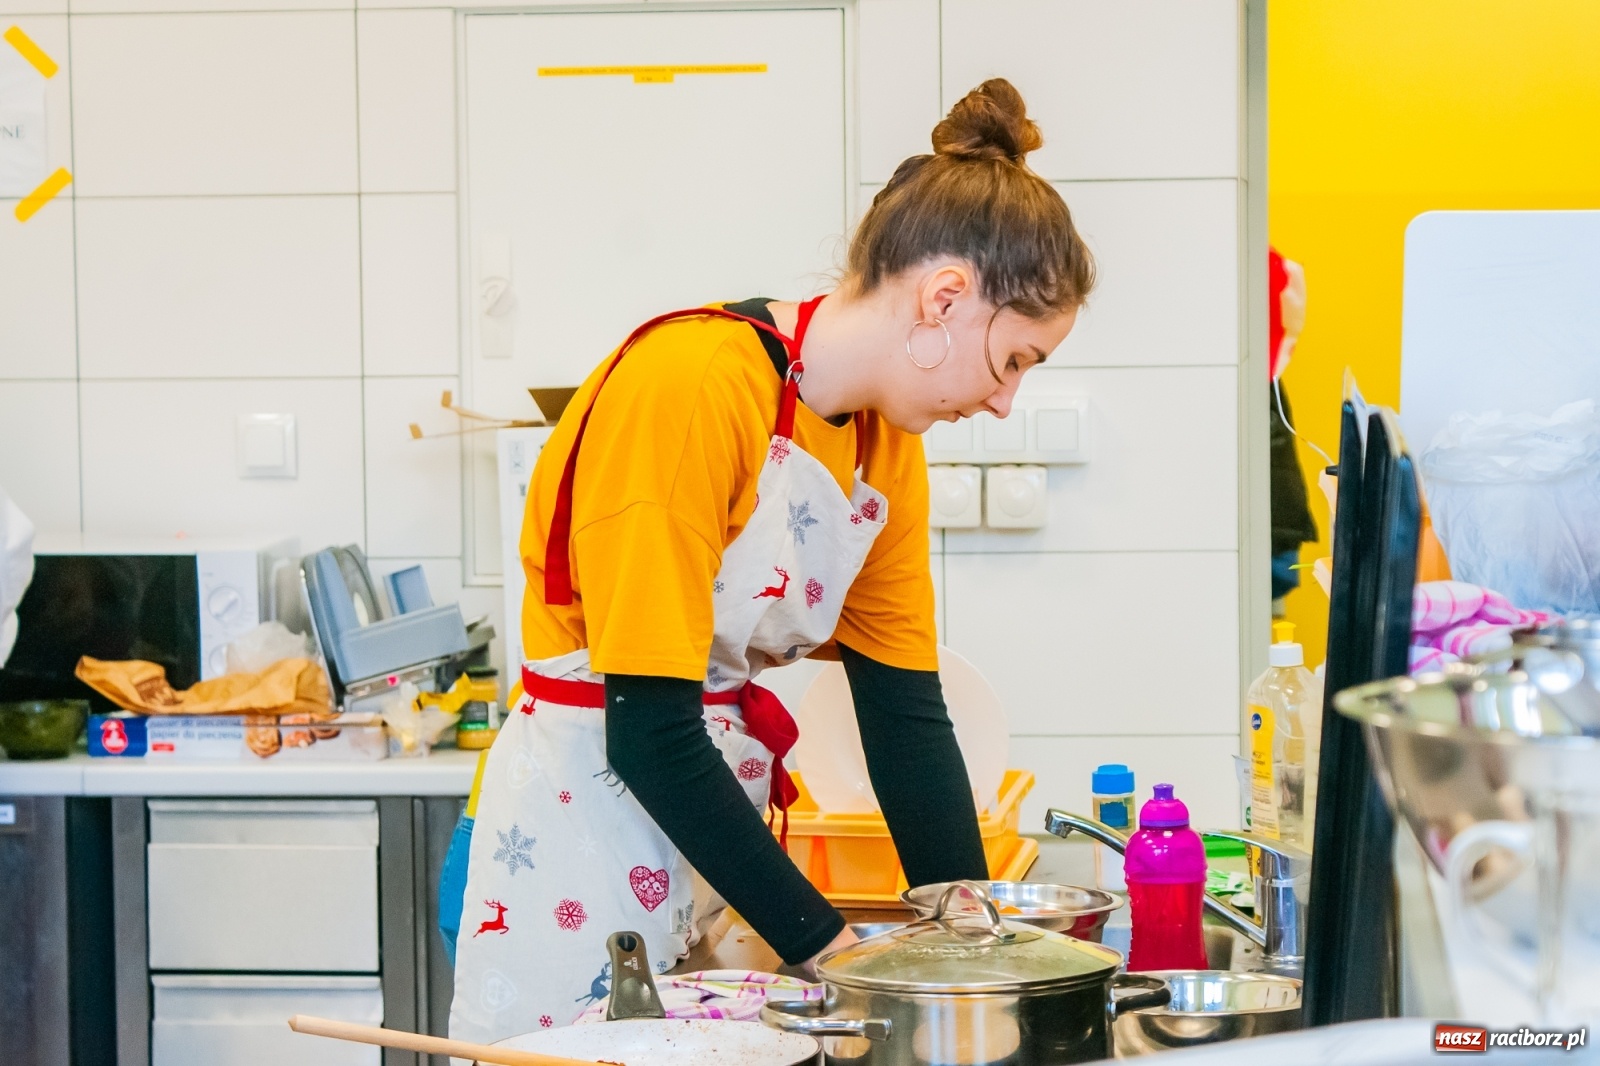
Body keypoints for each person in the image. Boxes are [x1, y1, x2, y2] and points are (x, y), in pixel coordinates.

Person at [445, 78, 1096, 1045]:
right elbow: (648, 732)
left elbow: (905, 711)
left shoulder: (885, 448)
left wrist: (971, 931)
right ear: (945, 296)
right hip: (578, 831)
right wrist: (830, 953)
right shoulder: (694, 387)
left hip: (709, 835)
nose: (1005, 403)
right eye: (1013, 362)